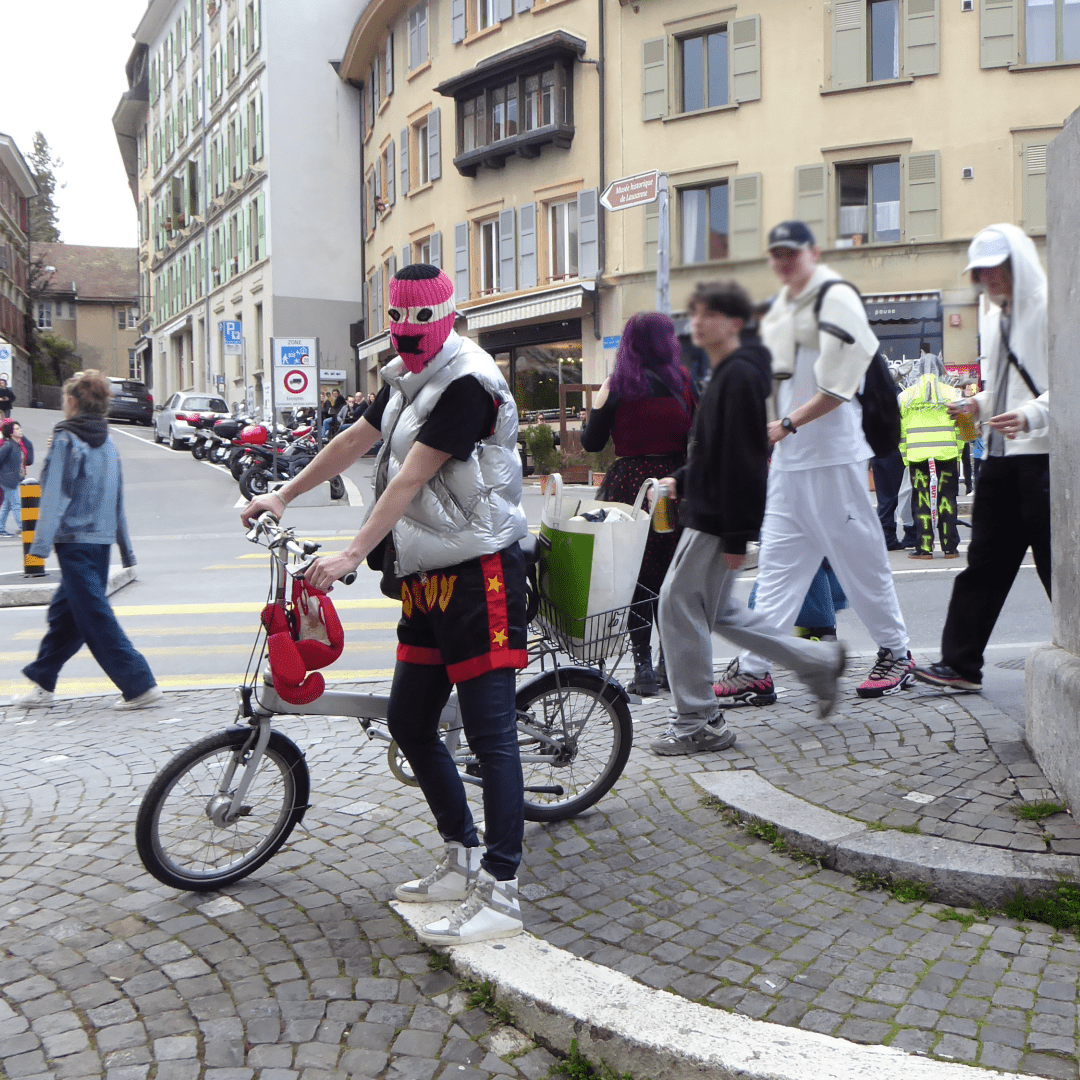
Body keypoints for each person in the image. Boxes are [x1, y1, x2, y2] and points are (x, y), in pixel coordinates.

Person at [241, 264, 528, 945]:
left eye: (418, 323)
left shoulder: (469, 382)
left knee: (491, 739)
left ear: (446, 316)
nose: (406, 335)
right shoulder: (407, 380)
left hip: (479, 573)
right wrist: (284, 493)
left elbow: (408, 479)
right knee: (409, 719)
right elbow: (352, 442)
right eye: (398, 323)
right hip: (428, 576)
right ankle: (460, 856)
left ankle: (503, 890)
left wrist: (348, 555)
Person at [714, 221, 914, 705]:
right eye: (776, 253)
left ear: (813, 252)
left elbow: (841, 387)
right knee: (779, 571)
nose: (783, 262)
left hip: (832, 460)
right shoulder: (783, 307)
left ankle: (897, 652)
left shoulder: (835, 297)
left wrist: (787, 424)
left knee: (861, 561)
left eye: (792, 253)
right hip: (790, 462)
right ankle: (757, 670)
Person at [649, 281, 845, 756]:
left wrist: (736, 534)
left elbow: (745, 458)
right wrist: (684, 478)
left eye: (707, 314)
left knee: (676, 607)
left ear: (734, 323)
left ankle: (698, 723)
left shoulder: (737, 376)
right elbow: (719, 452)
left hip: (717, 519)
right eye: (693, 313)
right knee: (720, 613)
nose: (696, 322)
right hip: (711, 510)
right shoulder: (727, 374)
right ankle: (817, 662)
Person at [914, 225, 1049, 693]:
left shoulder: (1052, 305)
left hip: (1043, 457)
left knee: (1057, 564)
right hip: (1000, 457)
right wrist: (979, 405)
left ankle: (963, 662)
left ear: (1017, 264)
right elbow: (1011, 385)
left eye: (997, 266)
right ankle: (961, 664)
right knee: (985, 562)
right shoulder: (993, 316)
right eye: (982, 270)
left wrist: (1033, 414)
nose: (989, 277)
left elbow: (1068, 380)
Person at [13, 370, 163, 710]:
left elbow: (54, 491)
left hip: (73, 541)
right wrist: (123, 546)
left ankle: (139, 684)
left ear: (71, 401)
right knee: (65, 614)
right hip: (100, 540)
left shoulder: (66, 438)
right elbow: (116, 495)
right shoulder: (108, 441)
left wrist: (38, 548)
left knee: (93, 615)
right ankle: (42, 681)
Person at [581, 313, 695, 695]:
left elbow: (593, 443)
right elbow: (696, 432)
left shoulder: (617, 385)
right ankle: (669, 662)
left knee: (637, 579)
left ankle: (643, 667)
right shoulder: (683, 382)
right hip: (675, 486)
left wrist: (594, 414)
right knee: (672, 578)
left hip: (629, 488)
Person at [898, 352, 963, 559]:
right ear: (941, 369)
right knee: (948, 498)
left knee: (921, 500)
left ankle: (924, 548)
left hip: (917, 454)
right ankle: (950, 547)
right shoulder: (953, 394)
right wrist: (958, 453)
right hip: (947, 453)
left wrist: (906, 457)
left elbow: (901, 433)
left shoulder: (905, 397)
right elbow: (964, 429)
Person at [0, 420, 25, 537]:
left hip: (12, 480)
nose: (20, 430)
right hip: (7, 480)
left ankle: (0, 528)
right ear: (10, 433)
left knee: (7, 506)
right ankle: (23, 527)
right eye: (17, 429)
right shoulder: (8, 445)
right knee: (16, 504)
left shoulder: (17, 445)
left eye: (20, 428)